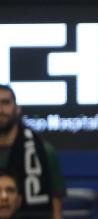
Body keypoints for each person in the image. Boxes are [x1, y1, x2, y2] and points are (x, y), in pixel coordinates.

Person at [0, 86, 65, 219]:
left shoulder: (44, 151)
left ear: (17, 109)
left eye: (6, 102)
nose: (0, 109)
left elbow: (56, 213)